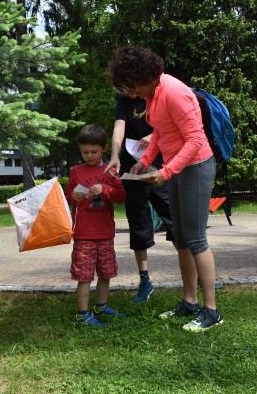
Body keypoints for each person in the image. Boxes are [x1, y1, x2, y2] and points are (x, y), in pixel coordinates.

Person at [106, 46, 223, 332]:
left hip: (195, 166)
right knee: (181, 238)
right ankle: (190, 302)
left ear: (144, 76)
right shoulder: (152, 95)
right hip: (177, 167)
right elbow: (159, 132)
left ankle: (211, 310)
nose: (130, 93)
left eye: (131, 86)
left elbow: (195, 140)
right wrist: (144, 162)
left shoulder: (173, 92)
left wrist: (166, 171)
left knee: (196, 239)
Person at [104, 94, 174, 304]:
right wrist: (115, 154)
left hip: (160, 166)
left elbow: (172, 124)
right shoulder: (124, 101)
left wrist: (154, 136)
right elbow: (119, 127)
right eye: (123, 86)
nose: (129, 90)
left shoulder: (157, 94)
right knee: (138, 223)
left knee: (176, 218)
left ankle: (196, 273)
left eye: (130, 84)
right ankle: (145, 281)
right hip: (132, 169)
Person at [65, 124, 127, 327]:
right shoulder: (76, 171)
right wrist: (73, 197)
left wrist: (106, 188)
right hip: (83, 234)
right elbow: (67, 198)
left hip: (106, 233)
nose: (89, 156)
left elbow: (121, 197)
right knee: (84, 275)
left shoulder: (111, 171)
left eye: (94, 151)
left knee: (105, 272)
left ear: (104, 148)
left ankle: (101, 306)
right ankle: (82, 314)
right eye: (85, 152)